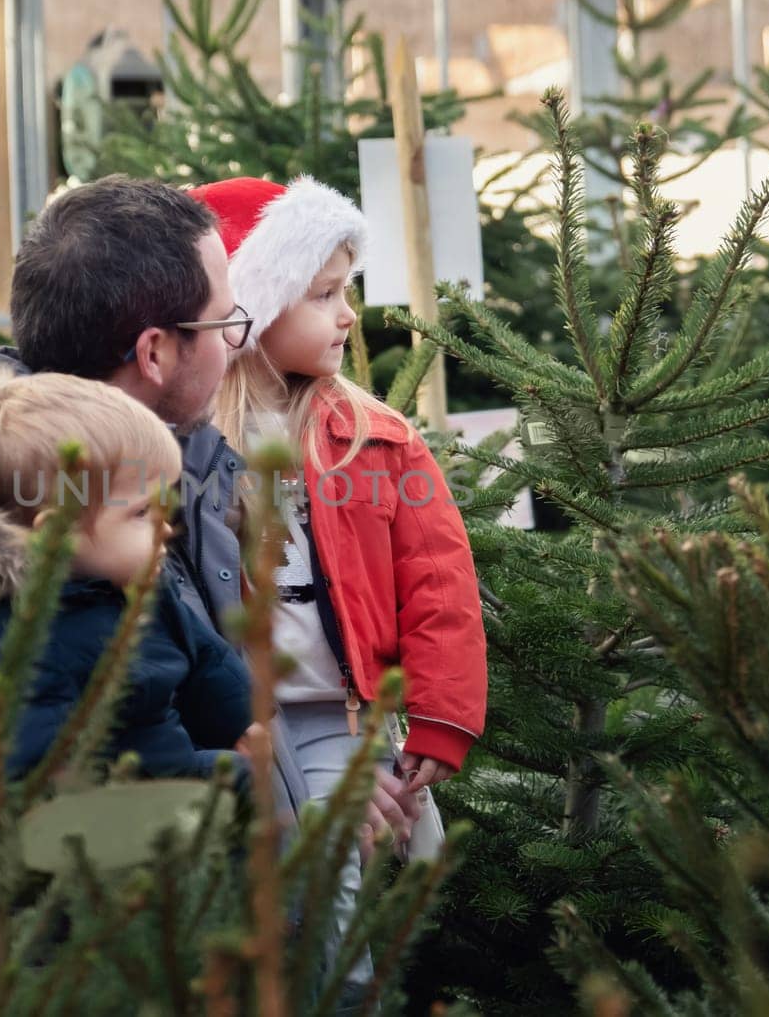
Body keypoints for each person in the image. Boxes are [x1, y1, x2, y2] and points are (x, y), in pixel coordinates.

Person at [0, 176, 418, 893]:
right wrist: (40, 874)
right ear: (154, 353)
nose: (238, 342)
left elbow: (208, 689)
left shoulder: (184, 455)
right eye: (225, 321)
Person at [190, 176, 488, 1002]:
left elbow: (438, 582)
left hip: (330, 714)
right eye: (323, 294)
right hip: (223, 715)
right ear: (256, 302)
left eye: (346, 290)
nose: (347, 314)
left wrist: (437, 714)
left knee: (329, 893)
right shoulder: (189, 439)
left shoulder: (374, 439)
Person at [0, 357, 255, 846]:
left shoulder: (129, 583)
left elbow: (203, 658)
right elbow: (94, 787)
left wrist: (243, 716)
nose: (168, 525)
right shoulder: (15, 645)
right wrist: (231, 776)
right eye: (143, 511)